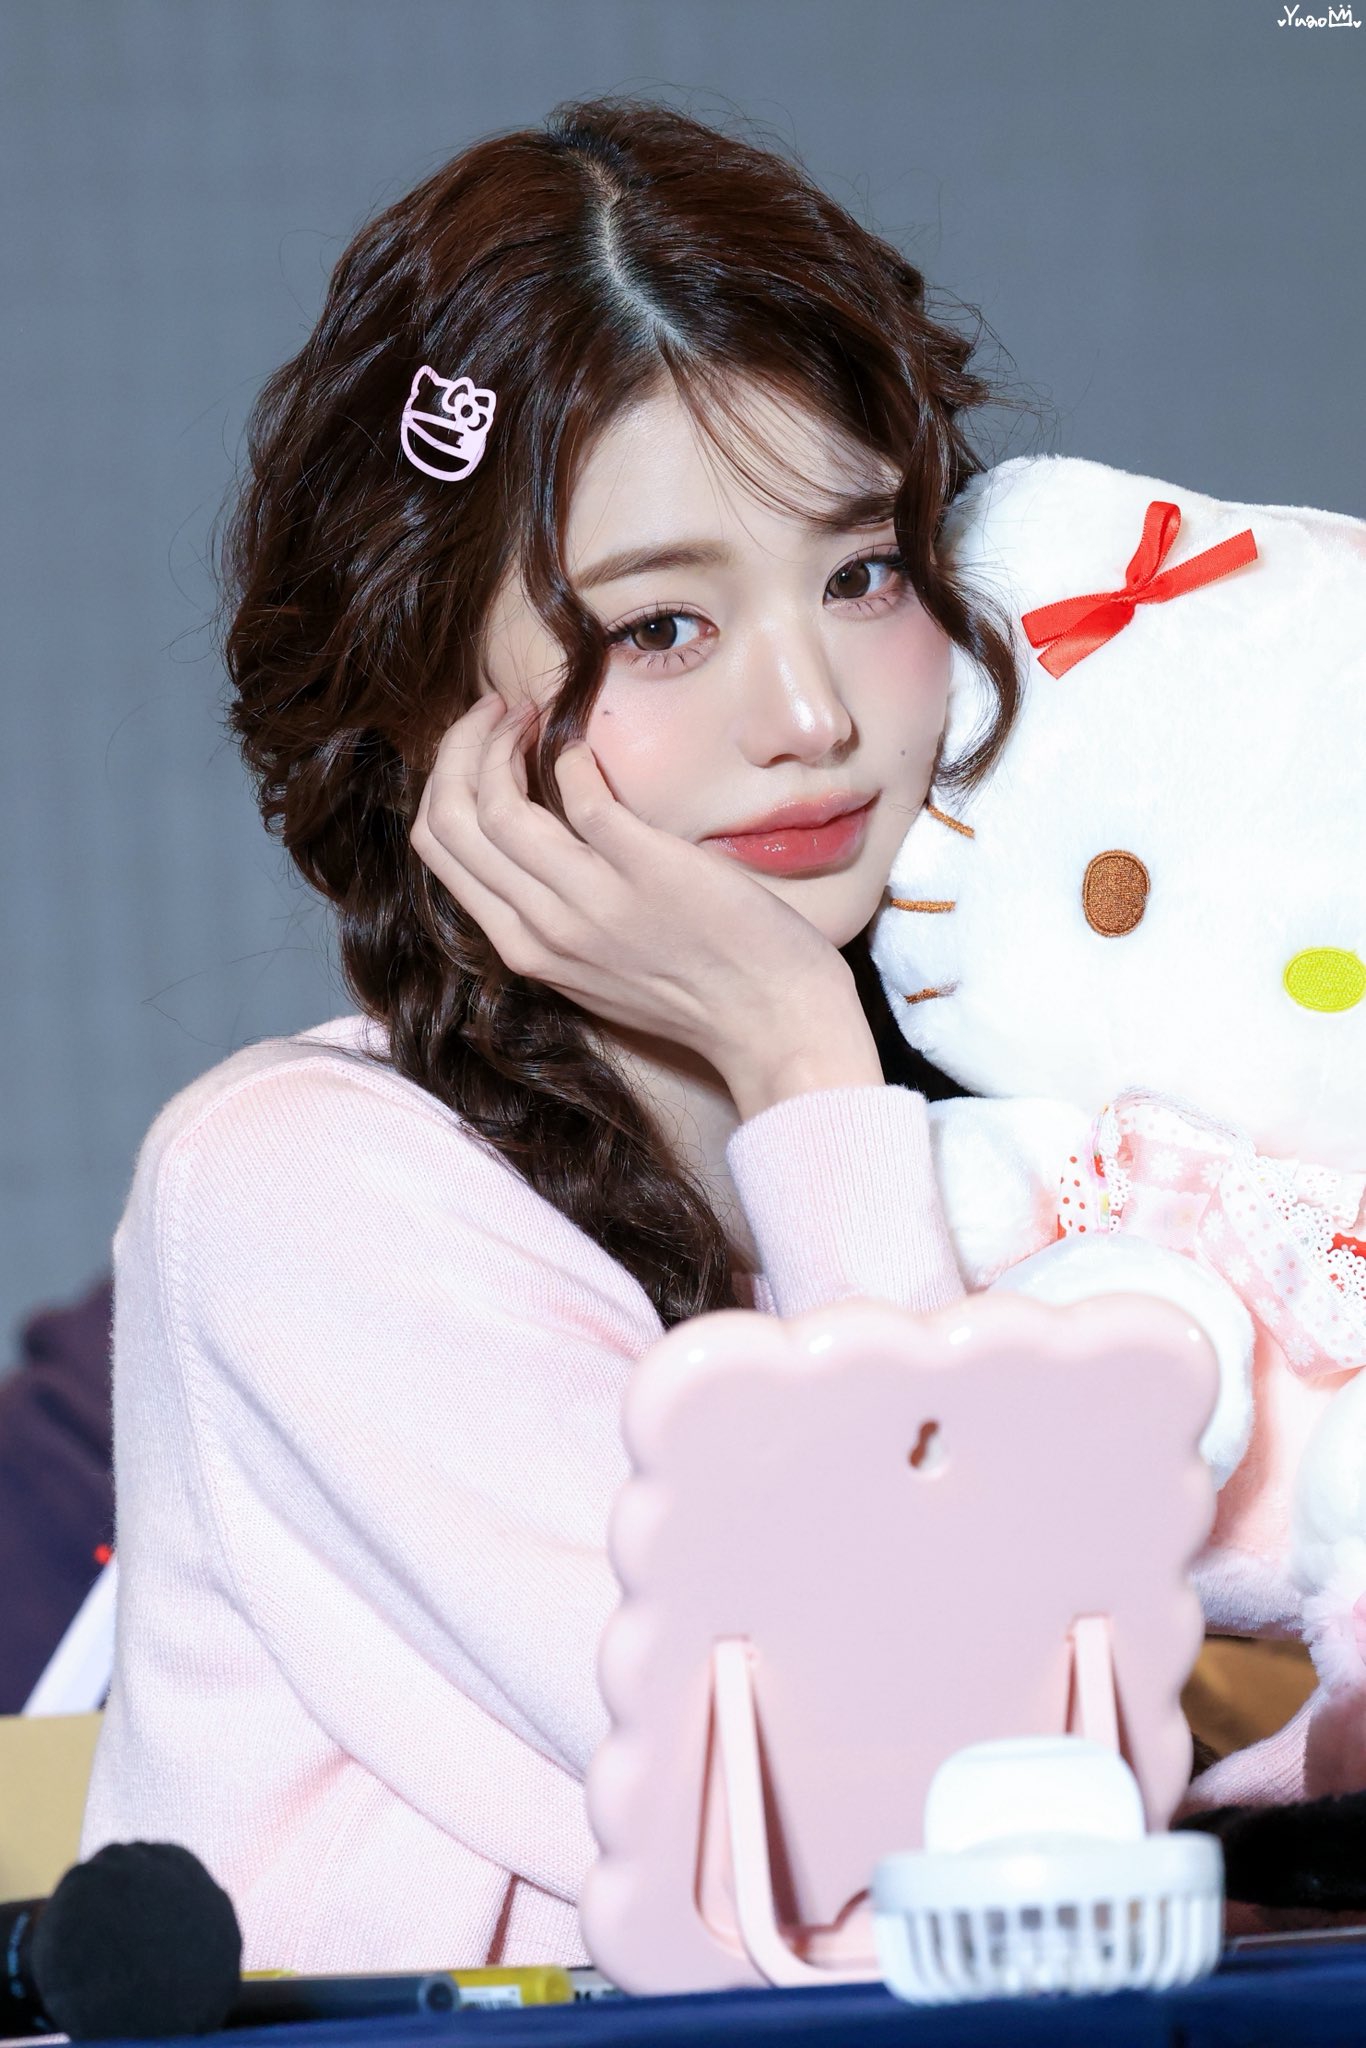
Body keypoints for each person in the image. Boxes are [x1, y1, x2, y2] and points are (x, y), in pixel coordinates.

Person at [79, 96, 1021, 1972]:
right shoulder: (300, 1187)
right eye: (658, 628)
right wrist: (796, 1061)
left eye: (860, 574)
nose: (813, 718)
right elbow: (912, 1826)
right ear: (425, 687)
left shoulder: (1000, 1136)